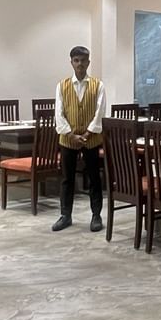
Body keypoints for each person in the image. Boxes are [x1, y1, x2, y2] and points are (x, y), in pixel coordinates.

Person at [52, 45, 106, 232]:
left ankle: (96, 216)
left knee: (94, 178)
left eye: (83, 60)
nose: (80, 64)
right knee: (67, 179)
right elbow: (59, 113)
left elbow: (100, 112)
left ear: (88, 62)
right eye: (76, 60)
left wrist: (88, 133)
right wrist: (70, 134)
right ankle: (65, 215)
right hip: (68, 139)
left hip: (91, 139)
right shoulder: (62, 85)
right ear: (71, 63)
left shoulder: (98, 85)